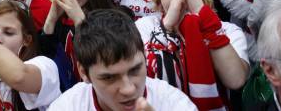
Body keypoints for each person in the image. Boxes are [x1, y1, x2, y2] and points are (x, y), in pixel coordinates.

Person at [136, 0, 249, 110]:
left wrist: (200, 12)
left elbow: (236, 80)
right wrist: (167, 27)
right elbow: (138, 78)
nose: (178, 0)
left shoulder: (226, 30)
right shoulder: (144, 27)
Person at [48, 9, 197, 111]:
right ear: (83, 72)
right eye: (108, 77)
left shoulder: (173, 104)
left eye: (135, 70)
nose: (129, 89)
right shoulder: (67, 106)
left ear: (144, 56)